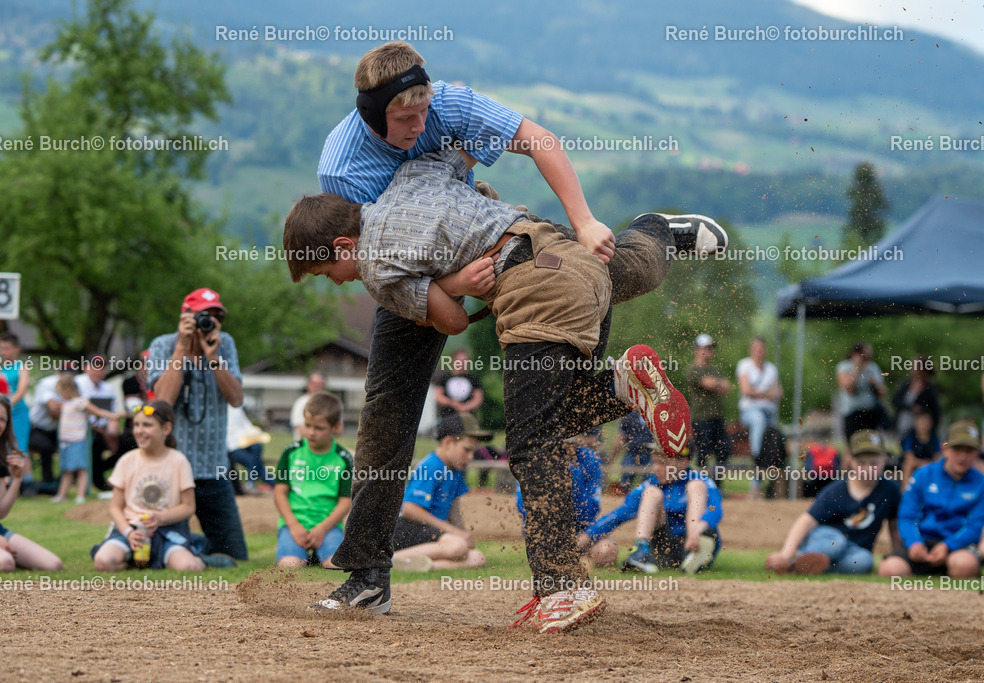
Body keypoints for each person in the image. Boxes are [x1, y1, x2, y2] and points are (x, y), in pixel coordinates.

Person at [304, 40, 725, 628]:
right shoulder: (345, 170)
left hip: (512, 265)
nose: (420, 126)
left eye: (425, 113)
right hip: (472, 261)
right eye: (404, 119)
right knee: (392, 409)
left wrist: (583, 218)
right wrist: (459, 272)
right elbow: (390, 254)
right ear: (372, 117)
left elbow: (537, 141)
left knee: (540, 421)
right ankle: (369, 574)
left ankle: (561, 585)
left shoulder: (447, 105)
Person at [148, 288, 248, 561]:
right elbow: (164, 401)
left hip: (214, 468)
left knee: (236, 557)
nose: (210, 322)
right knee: (164, 550)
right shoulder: (163, 345)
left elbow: (237, 399)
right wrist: (182, 348)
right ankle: (193, 552)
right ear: (185, 317)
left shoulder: (223, 343)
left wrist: (213, 358)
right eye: (204, 316)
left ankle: (198, 552)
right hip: (172, 469)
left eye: (217, 316)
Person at [91, 400, 228, 571]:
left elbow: (188, 507)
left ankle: (202, 559)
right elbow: (115, 508)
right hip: (132, 529)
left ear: (166, 429)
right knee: (103, 561)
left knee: (187, 567)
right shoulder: (127, 461)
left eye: (147, 425)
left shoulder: (178, 461)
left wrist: (160, 518)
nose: (139, 431)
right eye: (137, 424)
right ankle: (136, 560)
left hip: (168, 530)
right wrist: (129, 533)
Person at [765, 430, 901, 575]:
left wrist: (898, 555)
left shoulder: (890, 490)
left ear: (884, 460)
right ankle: (797, 559)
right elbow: (806, 521)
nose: (868, 469)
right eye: (862, 463)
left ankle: (803, 567)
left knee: (865, 561)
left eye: (874, 463)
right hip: (827, 538)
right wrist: (786, 553)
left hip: (855, 549)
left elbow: (894, 525)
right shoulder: (836, 490)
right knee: (836, 543)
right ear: (851, 461)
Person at [0, 390, 63, 571]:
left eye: (2, 420)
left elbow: (0, 511)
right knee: (5, 562)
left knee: (53, 564)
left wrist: (16, 479)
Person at [878, 421, 984, 579]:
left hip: (957, 546)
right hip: (922, 541)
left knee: (965, 566)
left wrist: (948, 546)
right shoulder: (922, 475)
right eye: (957, 449)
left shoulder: (980, 483)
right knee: (890, 569)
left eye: (969, 450)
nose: (963, 456)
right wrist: (914, 542)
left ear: (977, 453)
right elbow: (907, 516)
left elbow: (975, 525)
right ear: (945, 449)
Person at [391, 413, 490, 572]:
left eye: (473, 451)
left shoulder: (456, 470)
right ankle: (389, 560)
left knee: (477, 557)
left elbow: (453, 508)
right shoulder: (432, 466)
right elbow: (409, 509)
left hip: (431, 534)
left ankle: (418, 566)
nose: (471, 457)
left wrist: (463, 534)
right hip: (409, 529)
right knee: (457, 546)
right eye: (466, 450)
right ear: (448, 442)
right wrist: (454, 532)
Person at [274, 392, 353, 569]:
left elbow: (345, 501)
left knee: (335, 564)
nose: (311, 432)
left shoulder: (343, 458)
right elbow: (280, 493)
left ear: (336, 427)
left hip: (328, 526)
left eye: (319, 428)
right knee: (289, 565)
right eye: (307, 425)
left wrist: (323, 529)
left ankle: (320, 555)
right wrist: (294, 525)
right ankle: (303, 554)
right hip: (294, 524)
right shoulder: (291, 452)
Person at [515, 436, 618, 568]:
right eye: (559, 446)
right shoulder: (533, 458)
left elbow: (590, 512)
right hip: (546, 531)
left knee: (606, 551)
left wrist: (574, 478)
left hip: (580, 531)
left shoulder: (590, 459)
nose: (565, 451)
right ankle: (564, 558)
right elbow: (523, 507)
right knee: (549, 555)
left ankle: (573, 557)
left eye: (570, 445)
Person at [614, 451, 722, 574]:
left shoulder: (701, 480)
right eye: (654, 462)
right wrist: (588, 537)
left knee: (696, 486)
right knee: (651, 493)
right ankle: (640, 551)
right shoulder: (651, 483)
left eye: (662, 463)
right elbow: (619, 514)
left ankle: (693, 550)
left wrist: (699, 529)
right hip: (666, 545)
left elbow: (715, 510)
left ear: (683, 462)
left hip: (696, 541)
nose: (656, 468)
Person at [51, 374, 124, 504]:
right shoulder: (66, 403)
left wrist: (113, 415)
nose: (60, 395)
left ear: (67, 389)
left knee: (80, 468)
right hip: (65, 441)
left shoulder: (80, 401)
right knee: (66, 470)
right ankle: (61, 494)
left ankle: (81, 494)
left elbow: (98, 411)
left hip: (77, 440)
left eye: (61, 392)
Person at [736, 336, 782, 497]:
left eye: (762, 348)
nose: (759, 351)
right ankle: (757, 469)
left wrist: (759, 393)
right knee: (759, 421)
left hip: (770, 413)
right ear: (751, 350)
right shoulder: (744, 365)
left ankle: (774, 482)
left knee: (777, 435)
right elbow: (746, 390)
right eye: (756, 348)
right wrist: (767, 393)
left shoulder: (771, 369)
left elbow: (778, 392)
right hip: (750, 412)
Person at [686, 333, 732, 478]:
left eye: (711, 348)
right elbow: (710, 384)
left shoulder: (715, 370)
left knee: (723, 451)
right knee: (702, 453)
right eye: (707, 348)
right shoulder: (693, 370)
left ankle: (716, 486)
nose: (710, 351)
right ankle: (700, 483)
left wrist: (714, 383)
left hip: (717, 418)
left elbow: (727, 387)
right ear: (697, 350)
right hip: (701, 418)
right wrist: (716, 383)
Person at [76, 355, 121, 492]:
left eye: (101, 368)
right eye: (94, 367)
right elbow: (82, 405)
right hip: (81, 430)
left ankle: (101, 476)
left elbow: (114, 415)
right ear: (85, 368)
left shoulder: (108, 388)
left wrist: (112, 432)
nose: (97, 371)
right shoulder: (77, 383)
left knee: (126, 443)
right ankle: (98, 481)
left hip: (103, 430)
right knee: (95, 443)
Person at [836, 341, 888, 442]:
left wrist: (874, 383)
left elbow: (883, 392)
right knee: (853, 444)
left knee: (871, 443)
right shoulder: (844, 367)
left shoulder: (872, 367)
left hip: (870, 412)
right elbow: (850, 390)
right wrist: (857, 369)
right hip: (852, 413)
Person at [27, 367, 67, 490]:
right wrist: (71, 405)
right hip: (37, 428)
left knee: (69, 446)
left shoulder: (74, 385)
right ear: (59, 373)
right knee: (46, 447)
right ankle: (47, 482)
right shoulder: (47, 383)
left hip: (58, 429)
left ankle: (63, 481)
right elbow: (53, 407)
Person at [890, 355, 940, 439]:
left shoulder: (930, 390)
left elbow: (935, 412)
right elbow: (895, 400)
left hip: (919, 430)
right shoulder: (906, 383)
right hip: (901, 424)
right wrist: (910, 407)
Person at [227, 404, 274, 494]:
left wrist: (254, 433)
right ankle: (271, 483)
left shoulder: (235, 407)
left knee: (257, 446)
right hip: (232, 446)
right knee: (254, 461)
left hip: (244, 441)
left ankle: (251, 483)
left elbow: (246, 425)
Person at [0, 334, 31, 454]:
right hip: (2, 415)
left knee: (19, 451)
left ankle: (25, 474)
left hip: (18, 414)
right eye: (1, 348)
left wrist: (6, 404)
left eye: (6, 348)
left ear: (16, 349)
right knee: (4, 451)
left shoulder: (22, 367)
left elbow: (21, 391)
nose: (3, 352)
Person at [608, 412, 654, 493]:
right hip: (632, 451)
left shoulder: (655, 414)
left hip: (651, 452)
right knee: (625, 479)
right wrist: (612, 458)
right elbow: (620, 437)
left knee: (651, 479)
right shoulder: (629, 415)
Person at [899, 408, 941, 491]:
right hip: (915, 464)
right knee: (907, 465)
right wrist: (922, 464)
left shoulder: (934, 438)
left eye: (927, 421)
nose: (924, 424)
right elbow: (909, 457)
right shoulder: (910, 437)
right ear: (915, 423)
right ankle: (905, 492)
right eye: (922, 421)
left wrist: (928, 464)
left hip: (929, 465)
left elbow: (937, 457)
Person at [434, 348, 484, 417]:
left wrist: (465, 407)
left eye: (465, 361)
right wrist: (452, 403)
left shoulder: (473, 378)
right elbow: (438, 396)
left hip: (468, 418)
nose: (462, 364)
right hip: (447, 417)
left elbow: (478, 398)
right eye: (459, 361)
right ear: (453, 361)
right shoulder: (445, 378)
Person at [289, 373, 325, 442]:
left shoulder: (330, 403)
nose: (317, 387)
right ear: (308, 385)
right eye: (315, 384)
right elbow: (302, 432)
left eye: (320, 384)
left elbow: (338, 430)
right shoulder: (300, 403)